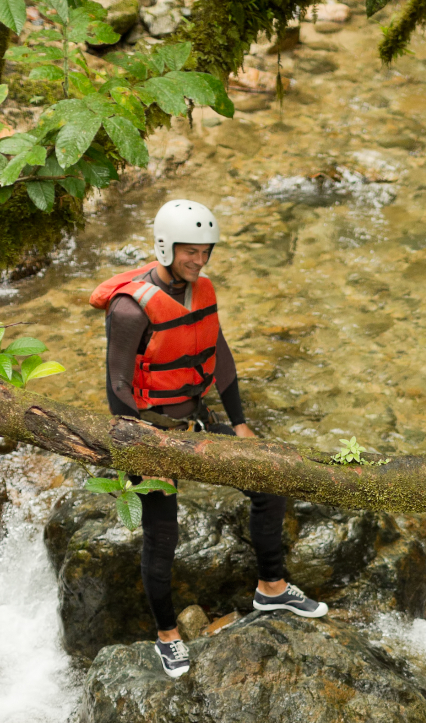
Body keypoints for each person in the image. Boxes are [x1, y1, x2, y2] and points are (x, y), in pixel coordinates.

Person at [91, 199, 328, 681]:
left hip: (194, 423)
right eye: (190, 252)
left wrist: (239, 423)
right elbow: (118, 386)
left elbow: (220, 356)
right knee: (162, 536)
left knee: (268, 480)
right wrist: (143, 450)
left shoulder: (202, 292)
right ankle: (167, 635)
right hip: (150, 433)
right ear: (165, 247)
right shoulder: (129, 309)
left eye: (206, 252)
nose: (200, 261)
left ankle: (272, 586)